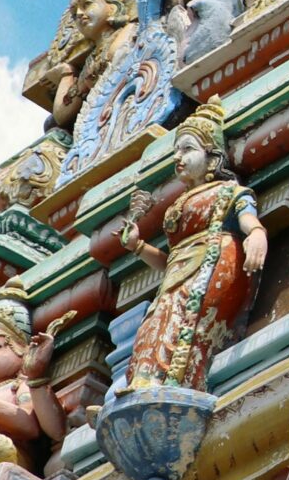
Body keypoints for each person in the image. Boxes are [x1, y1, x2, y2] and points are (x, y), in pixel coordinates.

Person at [114, 99, 267, 393]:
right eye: (175, 151)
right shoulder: (177, 204)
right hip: (178, 274)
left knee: (187, 326)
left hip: (210, 265)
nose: (178, 157)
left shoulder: (229, 191)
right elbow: (169, 261)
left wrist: (257, 234)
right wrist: (138, 246)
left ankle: (179, 386)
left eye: (187, 149)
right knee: (154, 324)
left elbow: (247, 218)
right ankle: (143, 384)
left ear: (212, 157)